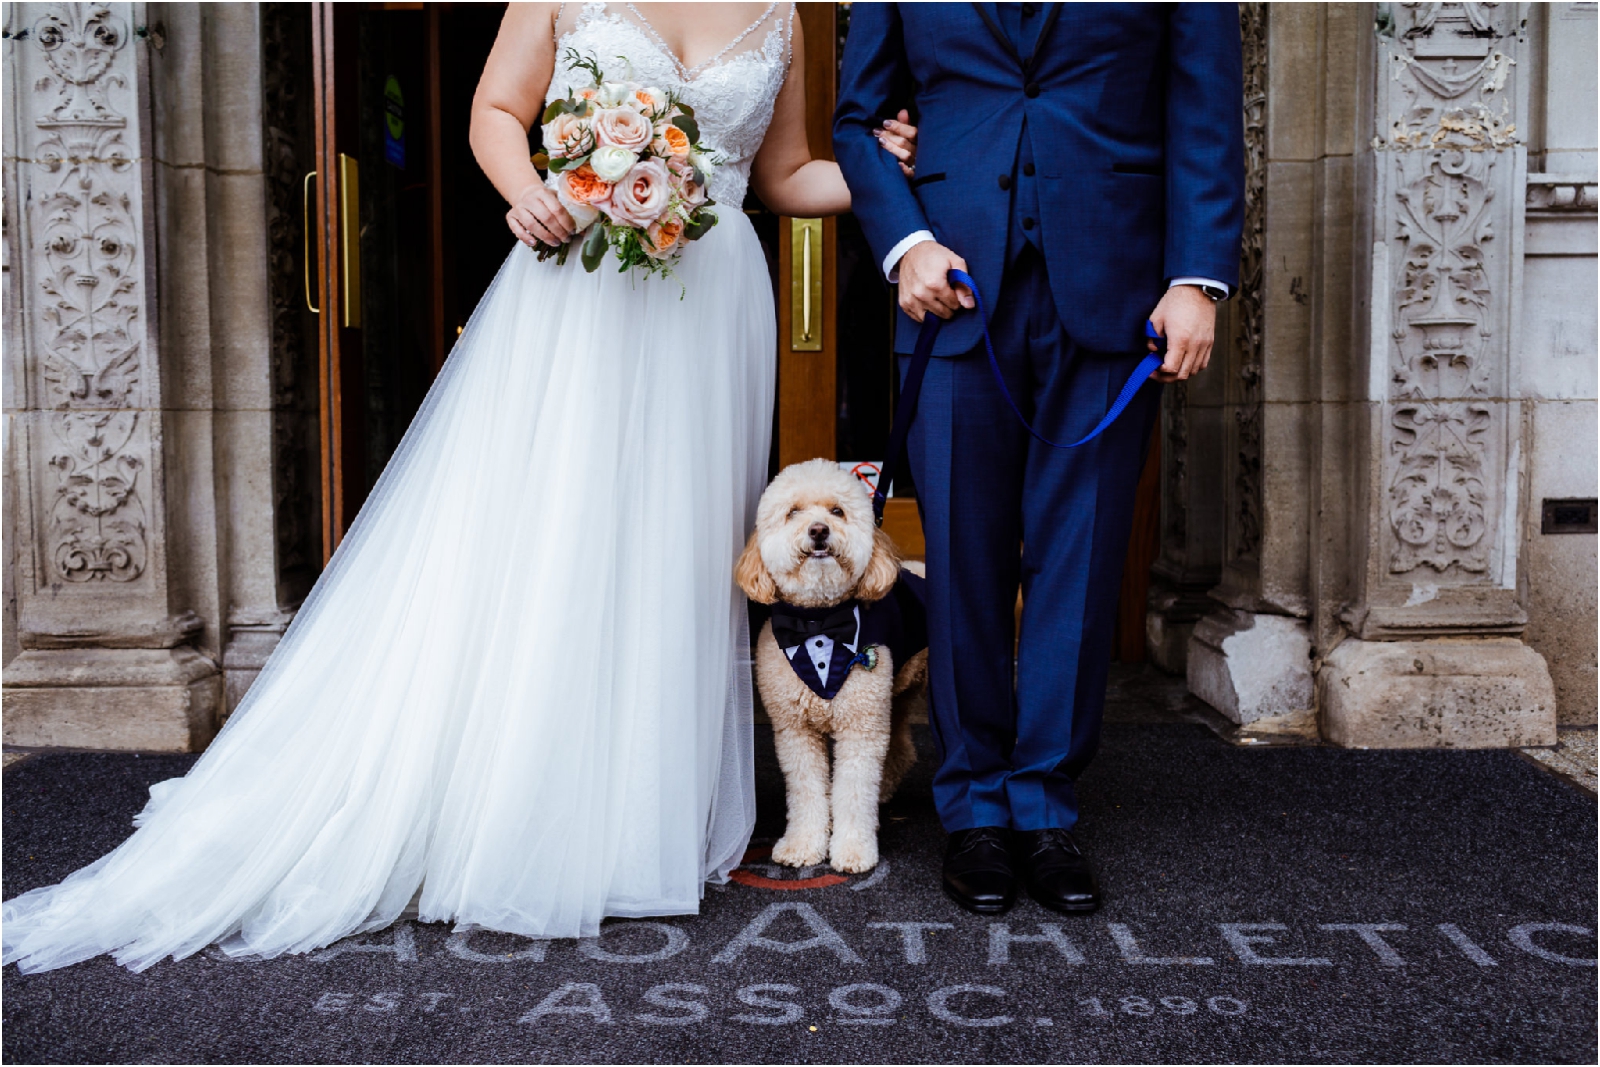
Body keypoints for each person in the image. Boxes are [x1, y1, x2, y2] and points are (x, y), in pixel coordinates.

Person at [2, 1, 916, 974]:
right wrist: (528, 190)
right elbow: (494, 106)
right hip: (580, 277)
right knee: (552, 533)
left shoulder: (779, 10)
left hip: (712, 294)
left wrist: (877, 173)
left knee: (669, 555)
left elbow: (781, 176)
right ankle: (525, 807)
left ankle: (635, 818)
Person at [834, 2, 1244, 916]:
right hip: (949, 287)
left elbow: (1205, 108)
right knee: (966, 561)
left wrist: (1196, 277)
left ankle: (1045, 808)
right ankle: (974, 807)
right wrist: (906, 241)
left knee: (1082, 557)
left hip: (1114, 279)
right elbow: (859, 120)